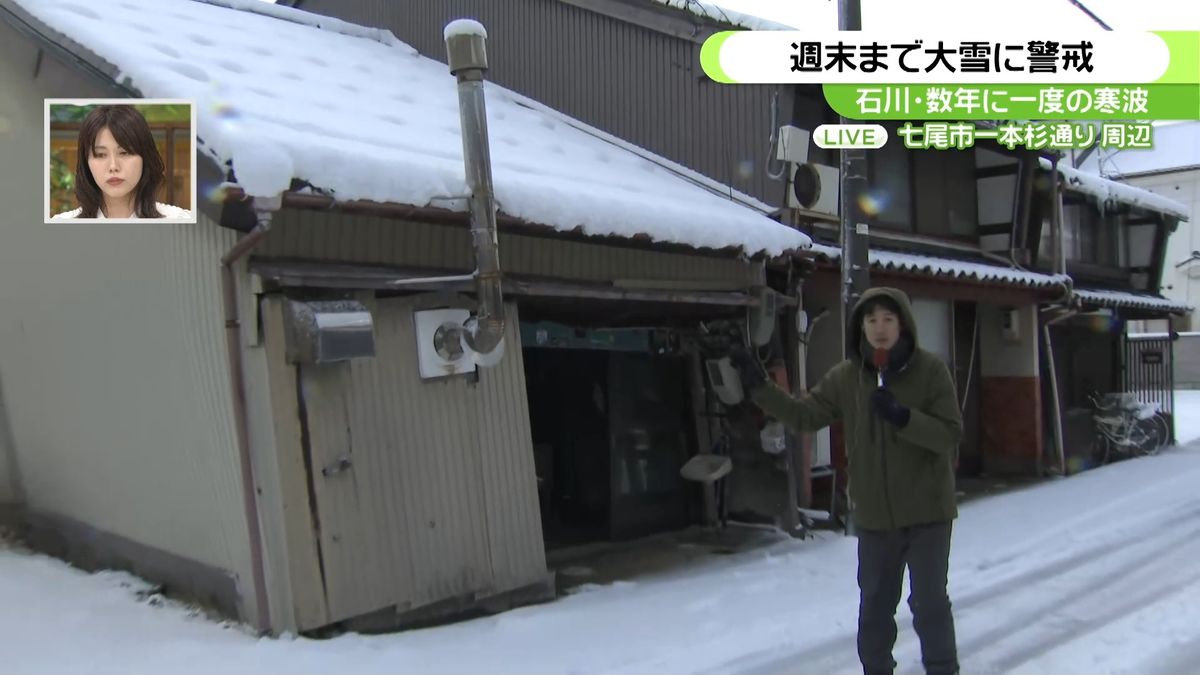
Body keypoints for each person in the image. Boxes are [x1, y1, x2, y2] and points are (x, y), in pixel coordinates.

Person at [731, 287, 962, 675]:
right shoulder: (847, 377)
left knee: (929, 603)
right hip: (874, 517)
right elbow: (804, 416)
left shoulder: (930, 371)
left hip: (927, 513)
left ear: (902, 322)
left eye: (888, 318)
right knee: (874, 605)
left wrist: (904, 418)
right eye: (871, 320)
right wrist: (759, 386)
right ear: (861, 327)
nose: (880, 328)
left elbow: (949, 435)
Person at [51, 105, 190, 220]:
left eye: (124, 153)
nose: (113, 167)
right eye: (100, 155)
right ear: (86, 163)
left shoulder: (179, 220)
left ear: (145, 157)